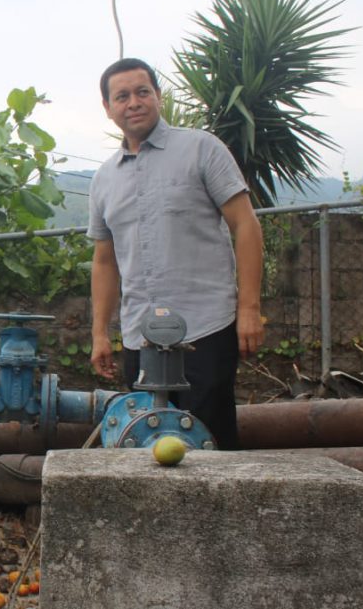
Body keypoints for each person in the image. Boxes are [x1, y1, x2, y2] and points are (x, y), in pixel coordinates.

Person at [88, 58, 265, 450]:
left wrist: (249, 309)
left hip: (206, 327)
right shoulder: (104, 179)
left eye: (142, 92)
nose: (133, 102)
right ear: (108, 107)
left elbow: (246, 224)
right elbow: (104, 261)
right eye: (122, 96)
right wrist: (101, 333)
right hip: (140, 336)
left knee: (210, 445)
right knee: (146, 444)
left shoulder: (201, 149)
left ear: (157, 96)